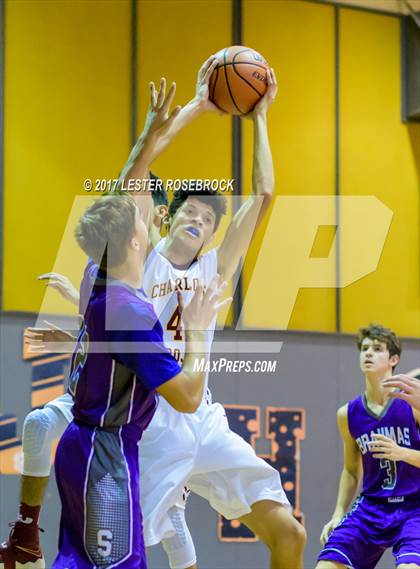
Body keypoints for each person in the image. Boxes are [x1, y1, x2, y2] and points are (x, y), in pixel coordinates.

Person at [13, 61, 308, 569]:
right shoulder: (137, 259)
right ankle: (26, 532)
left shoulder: (216, 268)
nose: (201, 219)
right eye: (191, 210)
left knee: (291, 535)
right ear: (164, 218)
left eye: (210, 218)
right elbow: (135, 175)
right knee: (118, 552)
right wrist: (195, 106)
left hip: (203, 415)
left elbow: (263, 196)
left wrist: (260, 116)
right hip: (146, 420)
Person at [316, 323, 420, 569]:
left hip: (413, 506)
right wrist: (338, 512)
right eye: (364, 349)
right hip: (372, 506)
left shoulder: (412, 405)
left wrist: (401, 453)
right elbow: (351, 471)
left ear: (393, 359)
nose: (368, 353)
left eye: (377, 348)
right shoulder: (347, 413)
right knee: (327, 566)